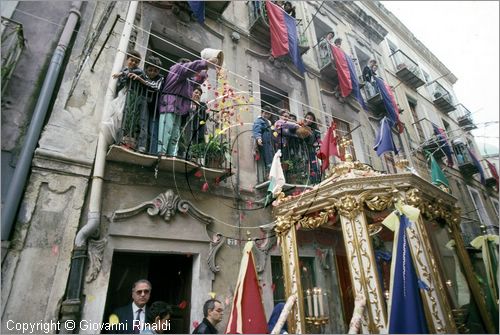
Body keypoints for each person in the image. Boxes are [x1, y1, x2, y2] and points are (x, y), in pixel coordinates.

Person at [157, 56, 218, 156]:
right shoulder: (177, 69)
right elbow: (190, 68)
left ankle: (172, 155)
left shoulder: (187, 80)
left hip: (178, 109)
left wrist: (205, 68)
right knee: (166, 130)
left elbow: (198, 80)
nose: (192, 73)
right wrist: (205, 63)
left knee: (175, 134)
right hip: (169, 104)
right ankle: (161, 152)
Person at [112, 50, 147, 149]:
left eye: (136, 62)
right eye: (132, 60)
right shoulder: (125, 69)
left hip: (132, 98)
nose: (133, 63)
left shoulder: (139, 72)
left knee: (126, 117)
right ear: (127, 60)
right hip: (123, 95)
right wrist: (122, 73)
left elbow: (141, 78)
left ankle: (125, 141)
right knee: (118, 116)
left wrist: (121, 74)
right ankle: (119, 139)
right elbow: (124, 77)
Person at [252, 105, 274, 170]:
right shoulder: (259, 120)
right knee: (267, 155)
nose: (266, 115)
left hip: (269, 141)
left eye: (268, 114)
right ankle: (268, 167)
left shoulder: (268, 122)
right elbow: (256, 129)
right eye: (265, 113)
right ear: (262, 113)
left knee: (270, 154)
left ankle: (270, 167)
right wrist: (258, 138)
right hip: (264, 140)